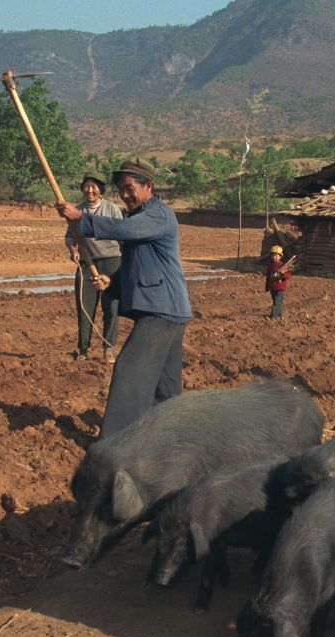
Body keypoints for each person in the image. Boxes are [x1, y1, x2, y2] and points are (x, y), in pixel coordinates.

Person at [56, 158, 191, 438]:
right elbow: (137, 266)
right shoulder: (139, 217)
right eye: (121, 190)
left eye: (130, 188)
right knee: (165, 385)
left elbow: (123, 230)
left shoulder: (158, 214)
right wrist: (112, 281)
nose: (125, 195)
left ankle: (117, 442)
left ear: (148, 186)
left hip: (162, 310)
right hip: (170, 309)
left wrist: (81, 219)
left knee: (130, 369)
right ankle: (167, 436)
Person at [64, 172, 123, 362]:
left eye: (94, 186)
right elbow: (70, 237)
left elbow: (122, 235)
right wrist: (73, 250)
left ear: (101, 190)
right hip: (86, 264)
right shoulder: (76, 210)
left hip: (111, 261)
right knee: (85, 308)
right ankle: (83, 349)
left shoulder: (112, 209)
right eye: (86, 186)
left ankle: (108, 348)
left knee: (111, 307)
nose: (90, 190)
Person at [264, 245, 290, 319]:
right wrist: (267, 287)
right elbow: (268, 277)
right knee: (276, 302)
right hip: (273, 288)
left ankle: (273, 317)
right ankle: (279, 314)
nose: (274, 257)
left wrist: (283, 273)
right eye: (272, 255)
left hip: (280, 287)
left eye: (276, 255)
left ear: (280, 256)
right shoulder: (270, 266)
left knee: (277, 302)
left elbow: (288, 276)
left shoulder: (283, 266)